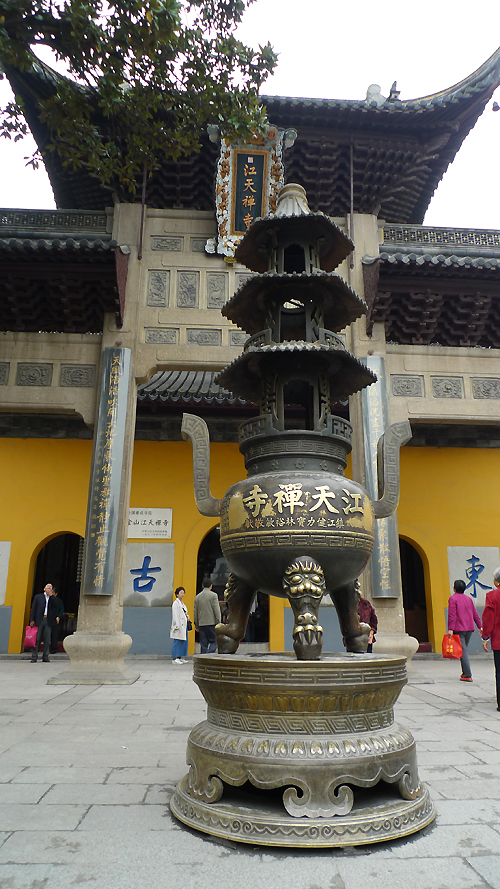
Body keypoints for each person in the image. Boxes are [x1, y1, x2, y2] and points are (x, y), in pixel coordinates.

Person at [448, 578, 482, 681]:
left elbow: (452, 615)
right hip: (469, 628)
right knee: (463, 650)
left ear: (454, 588)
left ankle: (467, 675)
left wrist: (450, 628)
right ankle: (464, 672)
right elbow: (475, 614)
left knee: (463, 651)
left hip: (459, 628)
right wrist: (480, 626)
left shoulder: (453, 599)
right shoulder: (468, 599)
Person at [481, 567, 500, 711]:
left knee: (499, 671)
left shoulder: (492, 596)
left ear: (497, 581)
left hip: (498, 641)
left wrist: (485, 636)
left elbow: (488, 619)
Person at [29, 582, 58, 663]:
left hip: (48, 620)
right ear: (44, 589)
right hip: (39, 619)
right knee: (37, 639)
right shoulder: (38, 597)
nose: (48, 588)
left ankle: (45, 656)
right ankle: (34, 656)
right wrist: (32, 619)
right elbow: (34, 608)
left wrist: (52, 595)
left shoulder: (53, 598)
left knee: (47, 639)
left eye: (50, 587)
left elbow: (56, 605)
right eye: (47, 587)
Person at [193, 576, 221, 654]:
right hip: (211, 623)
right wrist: (218, 621)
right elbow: (216, 609)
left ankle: (203, 657)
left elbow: (195, 612)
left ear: (202, 585)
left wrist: (196, 624)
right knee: (214, 642)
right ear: (211, 585)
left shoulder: (197, 597)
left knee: (203, 644)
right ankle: (209, 654)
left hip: (201, 624)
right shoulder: (214, 595)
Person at [170, 587, 190, 665]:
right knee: (177, 641)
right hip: (178, 625)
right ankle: (175, 657)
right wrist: (176, 625)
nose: (182, 594)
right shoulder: (175, 604)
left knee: (183, 641)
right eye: (181, 593)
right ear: (177, 594)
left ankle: (181, 657)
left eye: (183, 593)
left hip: (183, 625)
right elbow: (175, 615)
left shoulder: (182, 603)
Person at [50, 587, 65, 654]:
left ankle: (53, 649)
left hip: (55, 619)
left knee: (54, 634)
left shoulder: (59, 601)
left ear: (56, 594)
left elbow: (61, 610)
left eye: (53, 592)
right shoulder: (48, 599)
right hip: (47, 619)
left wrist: (58, 616)